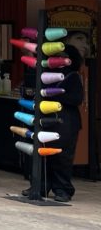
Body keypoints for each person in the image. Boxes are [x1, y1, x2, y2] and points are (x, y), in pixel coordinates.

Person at [47, 44, 84, 203]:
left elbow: (77, 99)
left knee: (62, 157)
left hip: (67, 121)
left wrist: (55, 95)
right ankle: (41, 185)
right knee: (44, 154)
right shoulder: (48, 75)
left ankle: (63, 189)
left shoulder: (72, 76)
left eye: (62, 57)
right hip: (49, 119)